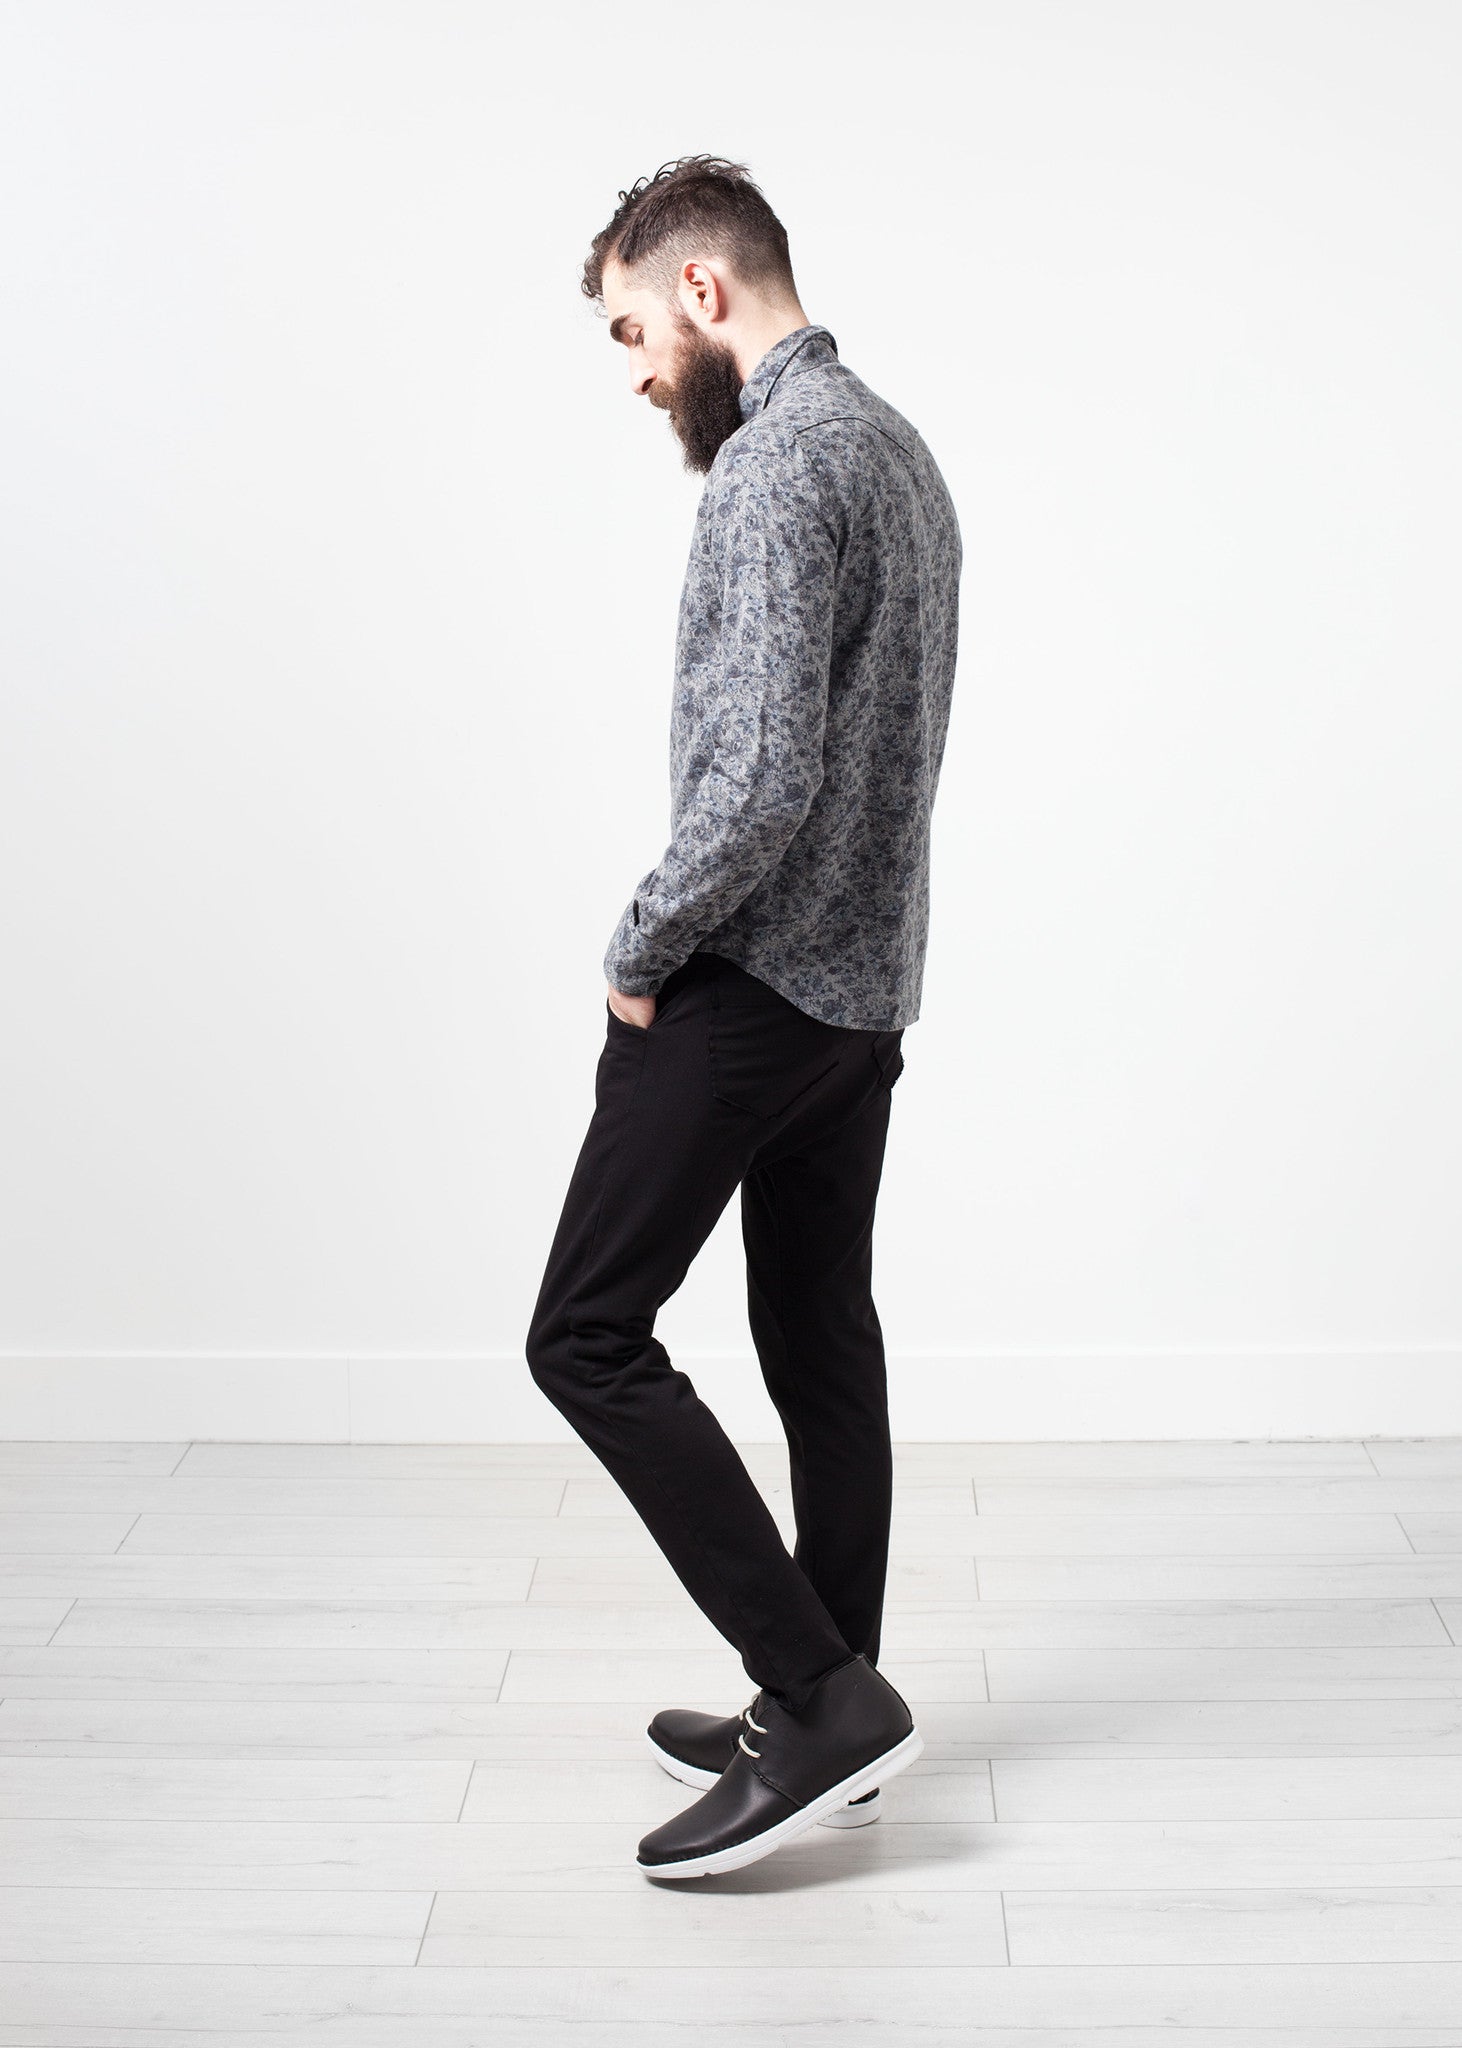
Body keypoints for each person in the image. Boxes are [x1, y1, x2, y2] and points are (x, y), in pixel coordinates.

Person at [525, 154, 962, 1880]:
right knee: (817, 1336)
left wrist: (641, 943)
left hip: (751, 985)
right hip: (860, 995)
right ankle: (835, 1696)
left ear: (701, 292)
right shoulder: (893, 446)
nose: (636, 372)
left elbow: (766, 772)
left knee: (584, 1337)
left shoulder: (779, 467)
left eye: (633, 330)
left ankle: (818, 1694)